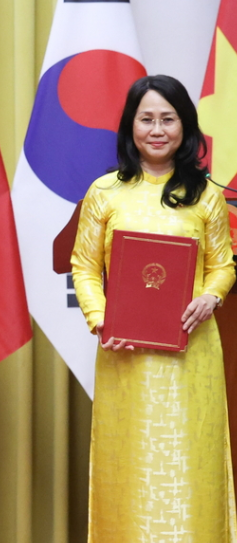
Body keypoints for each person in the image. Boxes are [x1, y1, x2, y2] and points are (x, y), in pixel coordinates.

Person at [71, 74, 237, 540]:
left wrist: (212, 295)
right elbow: (84, 267)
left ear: (186, 127)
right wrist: (101, 320)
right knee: (131, 462)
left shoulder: (206, 194)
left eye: (169, 119)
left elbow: (223, 265)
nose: (157, 130)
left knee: (191, 461)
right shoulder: (105, 191)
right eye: (147, 119)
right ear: (131, 126)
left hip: (192, 354)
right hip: (125, 353)